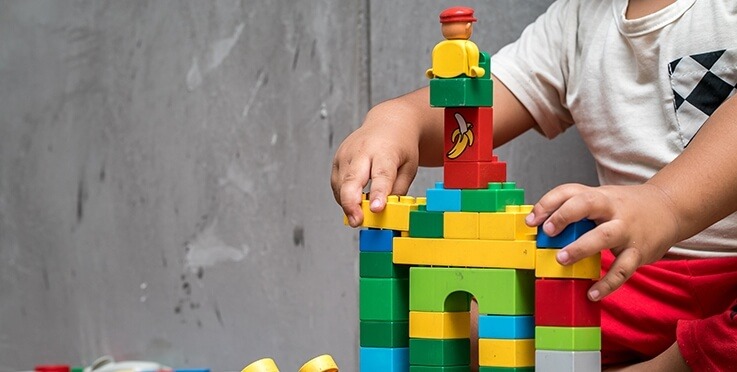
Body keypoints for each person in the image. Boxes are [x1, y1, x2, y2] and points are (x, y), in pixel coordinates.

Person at [331, 0, 737, 370]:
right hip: (622, 279)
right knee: (461, 325)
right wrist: (397, 120)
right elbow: (481, 105)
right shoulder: (577, 21)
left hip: (729, 283)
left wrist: (664, 202)